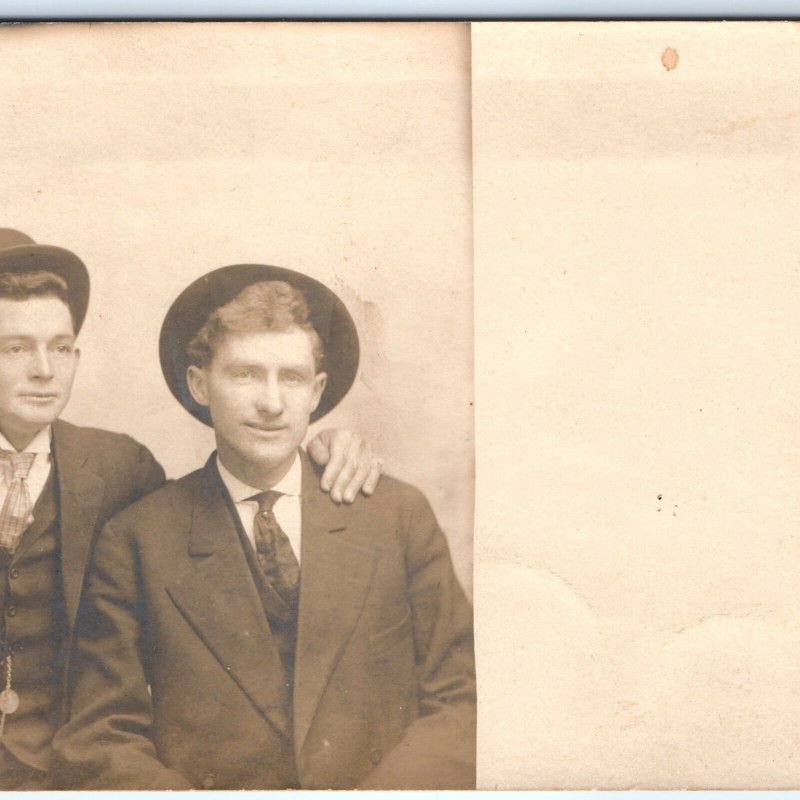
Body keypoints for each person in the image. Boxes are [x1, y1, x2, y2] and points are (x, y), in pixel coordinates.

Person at [55, 264, 476, 789]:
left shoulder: (396, 516)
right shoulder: (138, 539)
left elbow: (463, 703)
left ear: (317, 390)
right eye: (246, 374)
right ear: (199, 383)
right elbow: (103, 736)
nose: (272, 403)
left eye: (292, 377)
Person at [0, 230, 381, 790]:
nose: (44, 370)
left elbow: (211, 518)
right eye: (14, 348)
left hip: (64, 775)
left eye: (60, 347)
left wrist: (323, 451)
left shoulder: (118, 468)